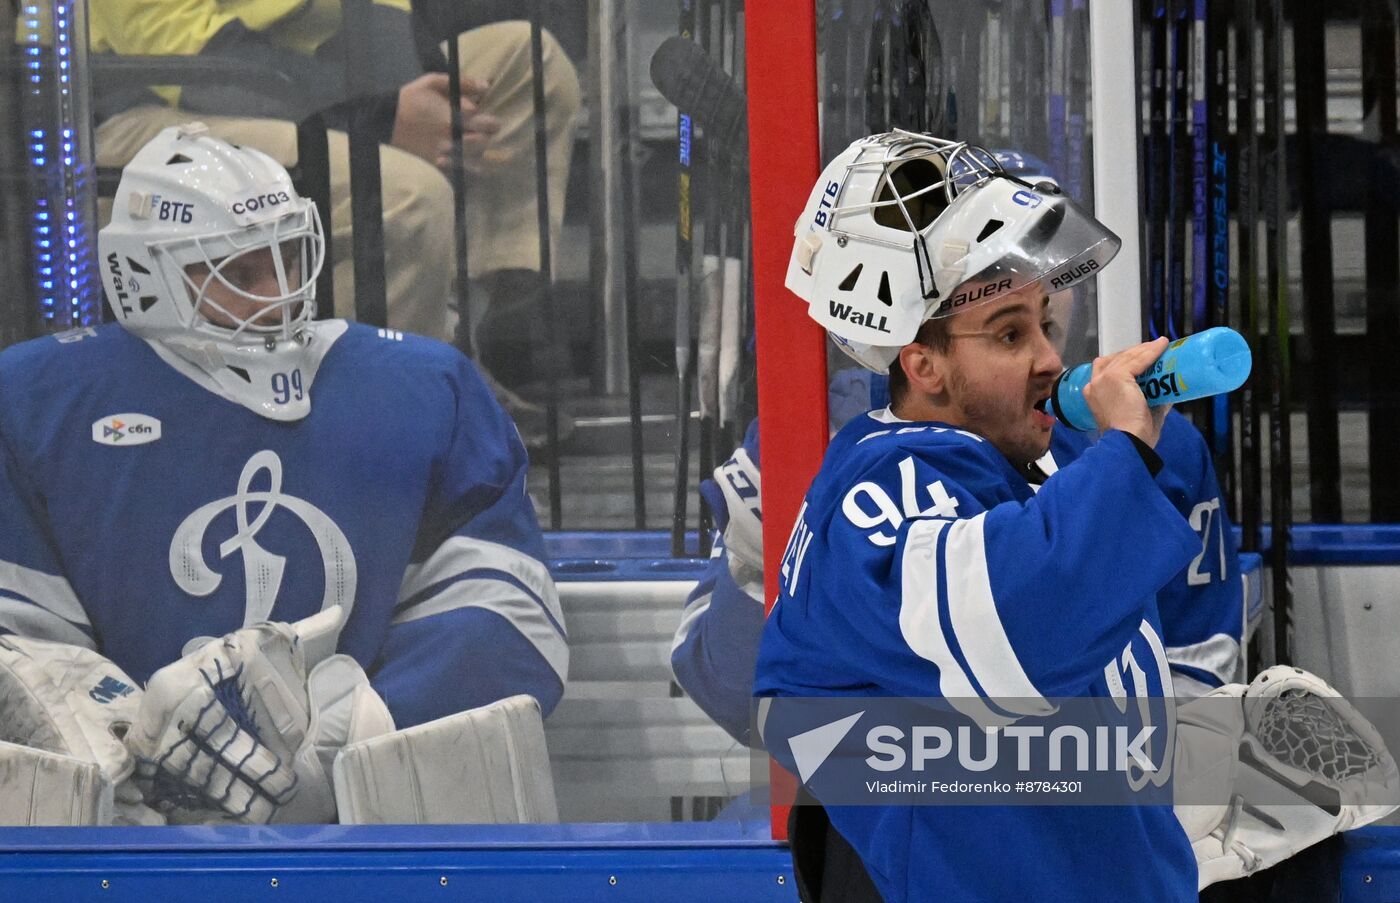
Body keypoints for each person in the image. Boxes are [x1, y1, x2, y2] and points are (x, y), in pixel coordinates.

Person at [0, 126, 567, 821]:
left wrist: (358, 730)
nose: (279, 292)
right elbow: (16, 637)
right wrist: (110, 750)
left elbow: (510, 615)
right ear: (143, 275)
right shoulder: (34, 404)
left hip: (373, 835)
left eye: (289, 257)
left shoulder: (425, 388)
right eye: (239, 272)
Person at [753, 131, 1202, 901]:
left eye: (1044, 324)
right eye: (1008, 333)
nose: (1051, 359)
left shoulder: (1026, 467)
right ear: (920, 362)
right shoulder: (884, 491)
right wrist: (1124, 449)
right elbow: (1023, 625)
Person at [86, 0, 581, 394]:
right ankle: (368, 405)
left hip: (299, 85)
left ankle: (456, 346)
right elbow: (177, 49)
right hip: (152, 108)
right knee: (404, 192)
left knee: (526, 60)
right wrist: (381, 117)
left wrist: (421, 100)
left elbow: (381, 19)